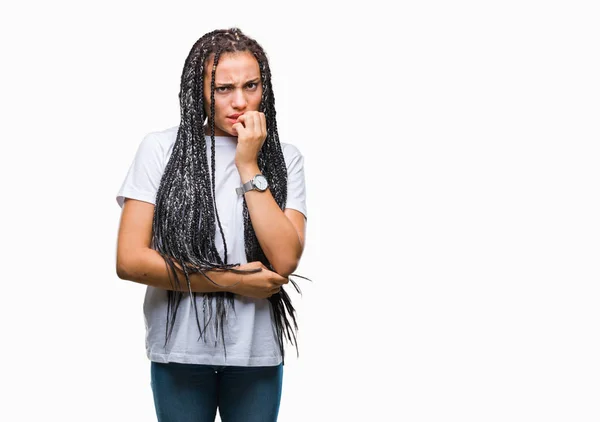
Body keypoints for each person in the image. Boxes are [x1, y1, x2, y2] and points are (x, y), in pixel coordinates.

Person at [115, 28, 308, 422]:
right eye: (223, 88)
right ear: (199, 91)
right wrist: (233, 279)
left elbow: (285, 259)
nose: (240, 101)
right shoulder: (160, 149)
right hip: (180, 349)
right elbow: (130, 261)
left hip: (255, 352)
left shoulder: (286, 158)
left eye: (251, 86)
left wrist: (248, 163)